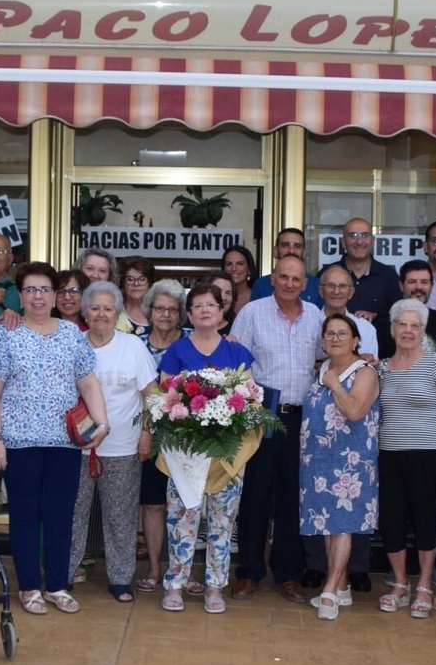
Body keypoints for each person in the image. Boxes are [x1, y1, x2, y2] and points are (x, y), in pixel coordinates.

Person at [0, 262, 107, 615]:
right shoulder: (5, 334)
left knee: (60, 514)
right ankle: (28, 587)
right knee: (24, 515)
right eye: (30, 290)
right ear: (20, 295)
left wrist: (102, 423)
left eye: (45, 290)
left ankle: (56, 584)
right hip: (19, 442)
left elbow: (88, 382)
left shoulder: (71, 335)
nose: (38, 297)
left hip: (64, 442)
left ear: (56, 295)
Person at [156, 281, 258, 614]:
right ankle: (176, 583)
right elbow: (164, 398)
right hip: (185, 452)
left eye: (210, 306)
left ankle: (215, 586)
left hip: (226, 453)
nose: (204, 311)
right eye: (197, 306)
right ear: (189, 314)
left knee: (222, 523)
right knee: (182, 520)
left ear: (222, 312)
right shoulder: (177, 350)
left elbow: (250, 401)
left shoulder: (237, 352)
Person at [230, 255, 323, 603]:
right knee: (255, 495)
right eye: (282, 277)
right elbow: (235, 361)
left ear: (304, 283)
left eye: (295, 279)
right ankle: (249, 572)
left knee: (292, 497)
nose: (288, 283)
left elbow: (322, 358)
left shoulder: (315, 316)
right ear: (272, 280)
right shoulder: (252, 313)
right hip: (261, 415)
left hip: (301, 418)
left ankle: (288, 574)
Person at [68, 281, 157, 604]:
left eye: (108, 308)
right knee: (72, 514)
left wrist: (146, 434)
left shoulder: (132, 347)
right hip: (76, 449)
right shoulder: (73, 343)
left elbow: (152, 396)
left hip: (123, 448)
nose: (101, 314)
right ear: (84, 311)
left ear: (117, 312)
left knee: (120, 517)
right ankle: (64, 573)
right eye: (95, 308)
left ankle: (120, 579)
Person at [376, 298, 436, 619]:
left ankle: (424, 584)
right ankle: (399, 584)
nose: (408, 331)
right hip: (389, 454)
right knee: (392, 520)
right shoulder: (381, 367)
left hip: (429, 453)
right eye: (402, 324)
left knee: (425, 519)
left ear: (423, 331)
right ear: (393, 328)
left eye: (414, 326)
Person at [300, 314, 381, 621]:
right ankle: (342, 585)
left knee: (343, 524)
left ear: (356, 340)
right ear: (322, 340)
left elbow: (355, 411)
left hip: (351, 462)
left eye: (342, 333)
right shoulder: (321, 369)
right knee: (326, 524)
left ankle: (330, 591)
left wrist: (334, 384)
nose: (335, 338)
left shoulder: (364, 372)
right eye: (330, 334)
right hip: (319, 461)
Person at [136, 279, 186, 592]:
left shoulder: (193, 342)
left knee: (187, 506)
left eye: (172, 309)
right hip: (148, 435)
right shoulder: (134, 342)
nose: (165, 315)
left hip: (187, 438)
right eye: (159, 309)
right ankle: (155, 568)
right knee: (153, 504)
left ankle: (185, 571)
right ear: (149, 311)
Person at [325, 217, 400, 356]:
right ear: (343, 242)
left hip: (379, 356)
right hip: (330, 356)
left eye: (365, 235)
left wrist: (377, 315)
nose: (359, 241)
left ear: (373, 241)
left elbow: (398, 315)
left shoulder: (389, 276)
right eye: (353, 236)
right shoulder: (328, 274)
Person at [316, 265, 377, 361]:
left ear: (351, 292)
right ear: (321, 291)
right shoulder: (308, 325)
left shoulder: (366, 329)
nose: (336, 292)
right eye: (330, 286)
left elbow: (370, 369)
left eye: (342, 286)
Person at [252, 226, 323, 307]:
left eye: (297, 246)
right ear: (275, 251)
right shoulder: (261, 285)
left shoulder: (317, 285)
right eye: (285, 245)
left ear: (304, 252)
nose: (291, 250)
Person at [397, 259, 436, 352]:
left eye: (424, 282)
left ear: (432, 286)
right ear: (401, 285)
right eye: (412, 282)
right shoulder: (386, 319)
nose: (419, 287)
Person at [115, 256, 155, 338]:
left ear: (150, 283)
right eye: (130, 279)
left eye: (142, 279)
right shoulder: (114, 312)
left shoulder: (159, 311)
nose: (136, 284)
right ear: (122, 284)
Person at [222, 245, 257, 317]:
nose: (234, 269)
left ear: (249, 269)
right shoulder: (216, 296)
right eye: (229, 264)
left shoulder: (258, 296)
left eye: (240, 264)